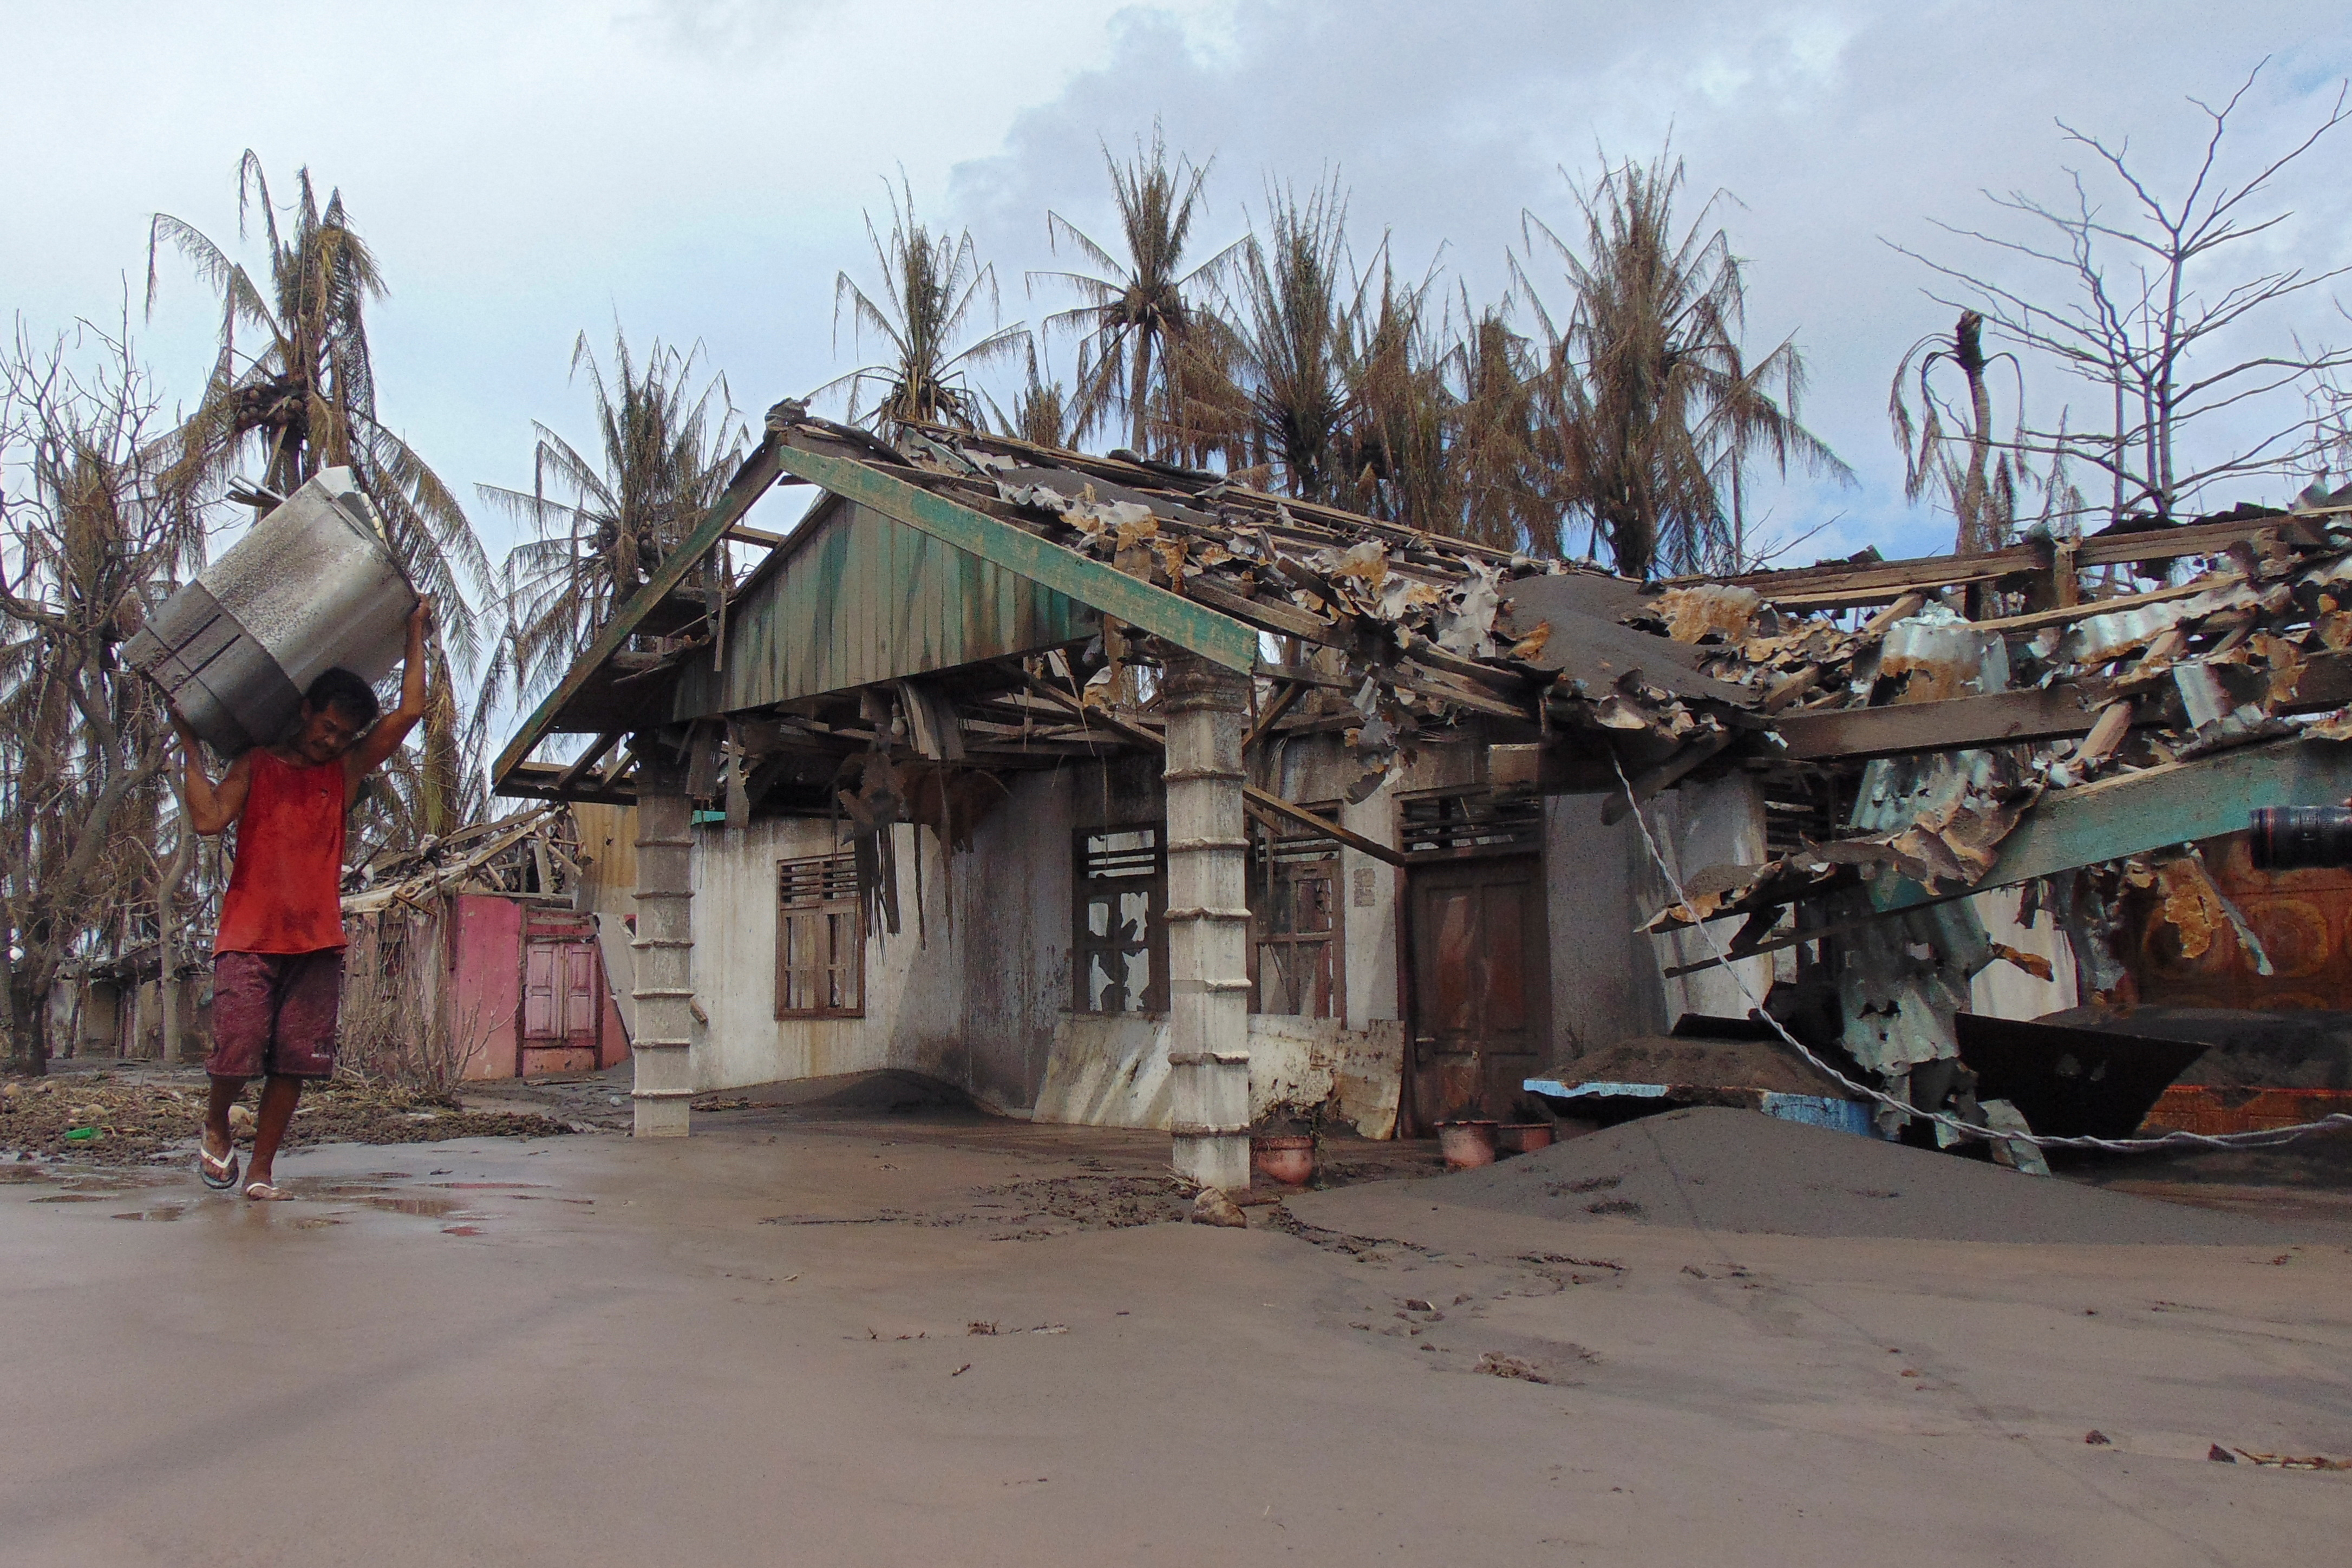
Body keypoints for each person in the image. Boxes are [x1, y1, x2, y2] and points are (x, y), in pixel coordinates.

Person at [173, 599, 432, 1200]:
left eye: (343, 736)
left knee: (295, 1062)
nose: (330, 740)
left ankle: (261, 1172)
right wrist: (189, 749)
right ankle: (215, 1122)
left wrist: (415, 631)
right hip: (248, 936)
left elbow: (412, 709)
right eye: (326, 726)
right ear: (306, 710)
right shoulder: (258, 764)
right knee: (236, 1049)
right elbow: (210, 818)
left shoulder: (342, 773)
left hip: (316, 940)